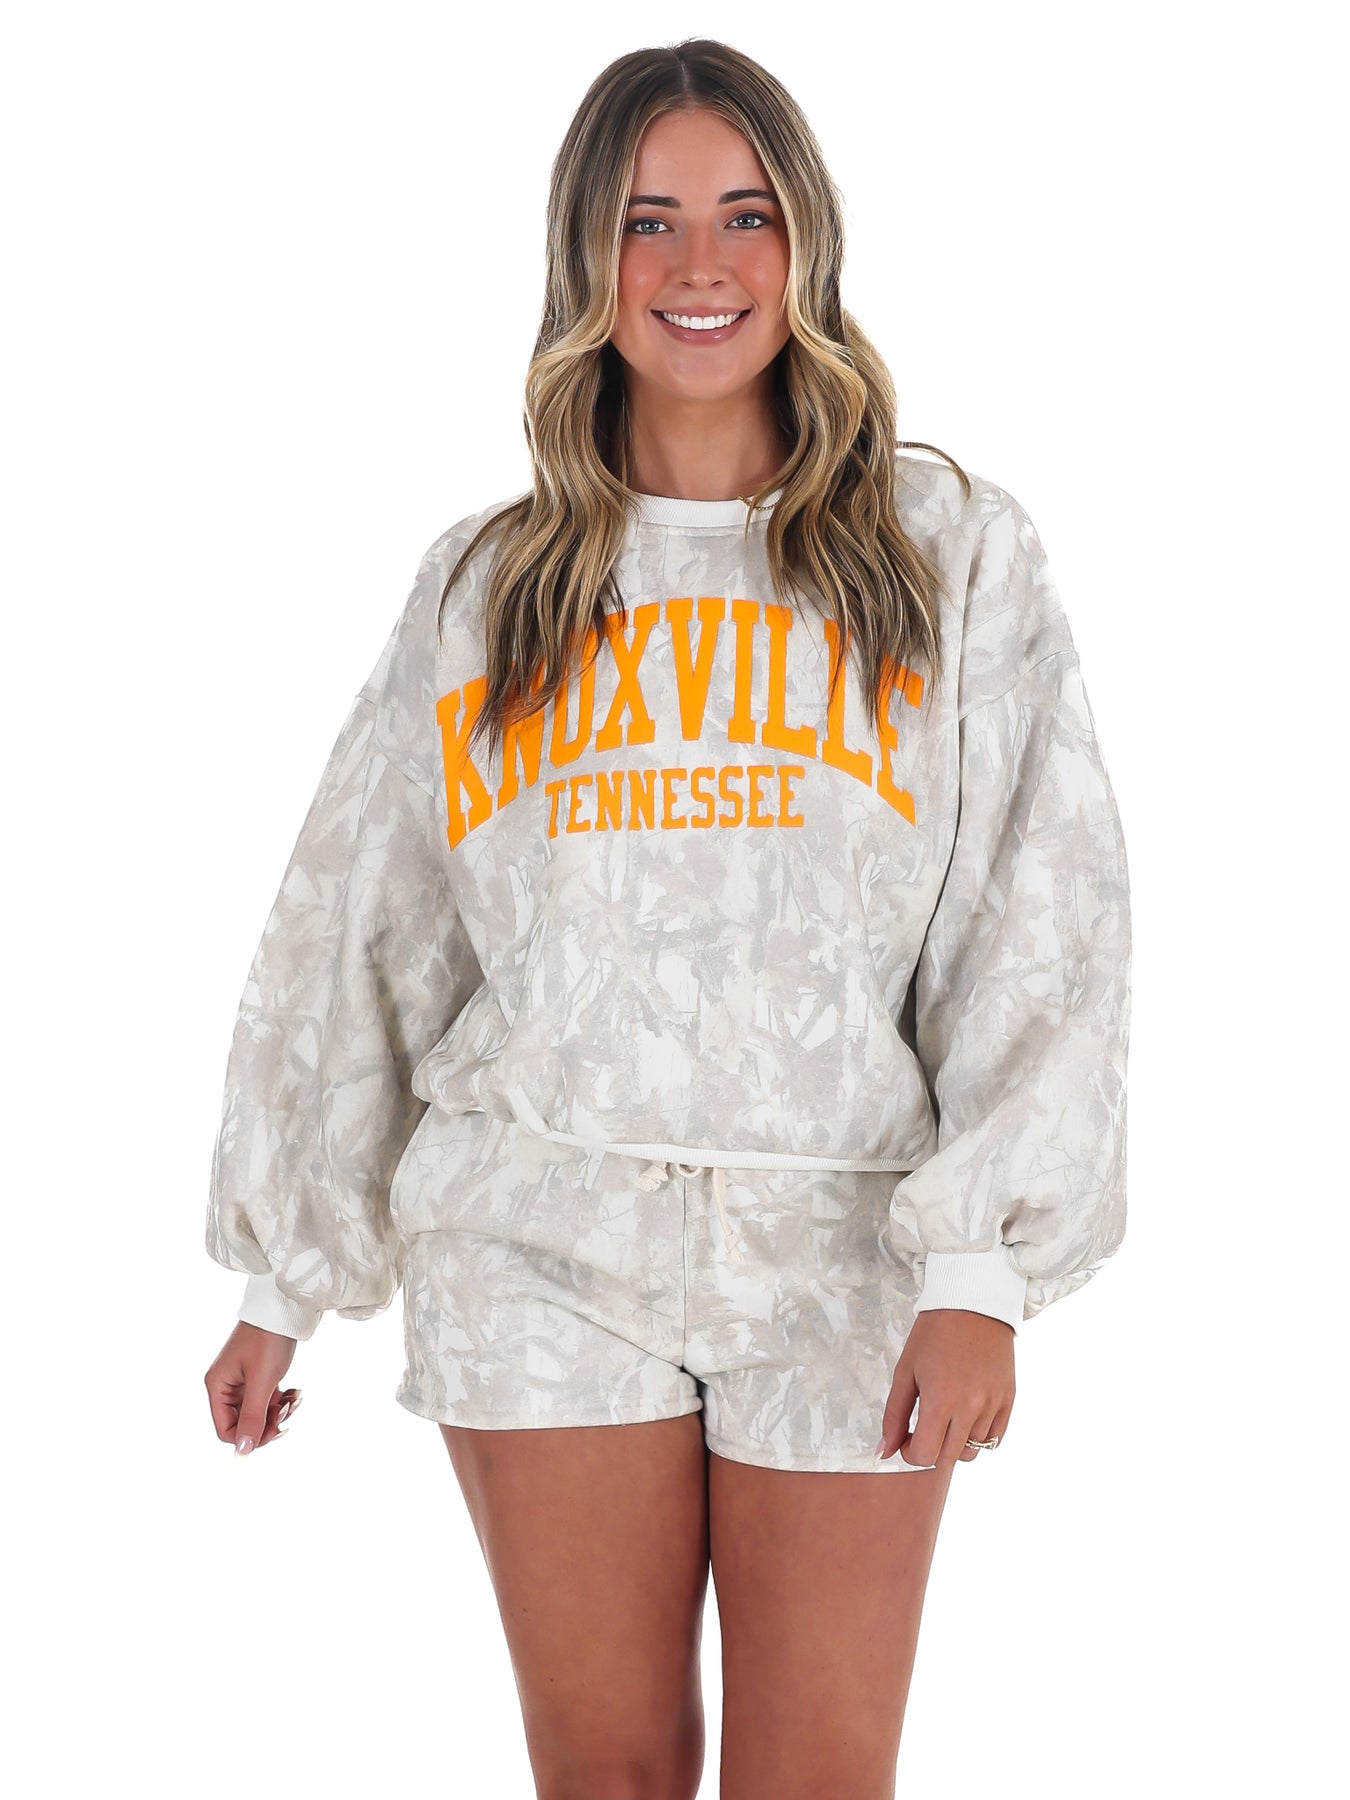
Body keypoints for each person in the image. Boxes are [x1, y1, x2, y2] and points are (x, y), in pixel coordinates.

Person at [202, 37, 1131, 1799]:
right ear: (586, 258)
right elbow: (366, 923)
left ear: (807, 242)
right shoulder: (489, 588)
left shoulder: (945, 552)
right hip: (536, 1230)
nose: (700, 266)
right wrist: (281, 1278)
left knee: (817, 1779)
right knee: (609, 1776)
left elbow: (1041, 907)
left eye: (743, 215)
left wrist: (979, 1269)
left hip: (844, 1244)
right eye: (647, 222)